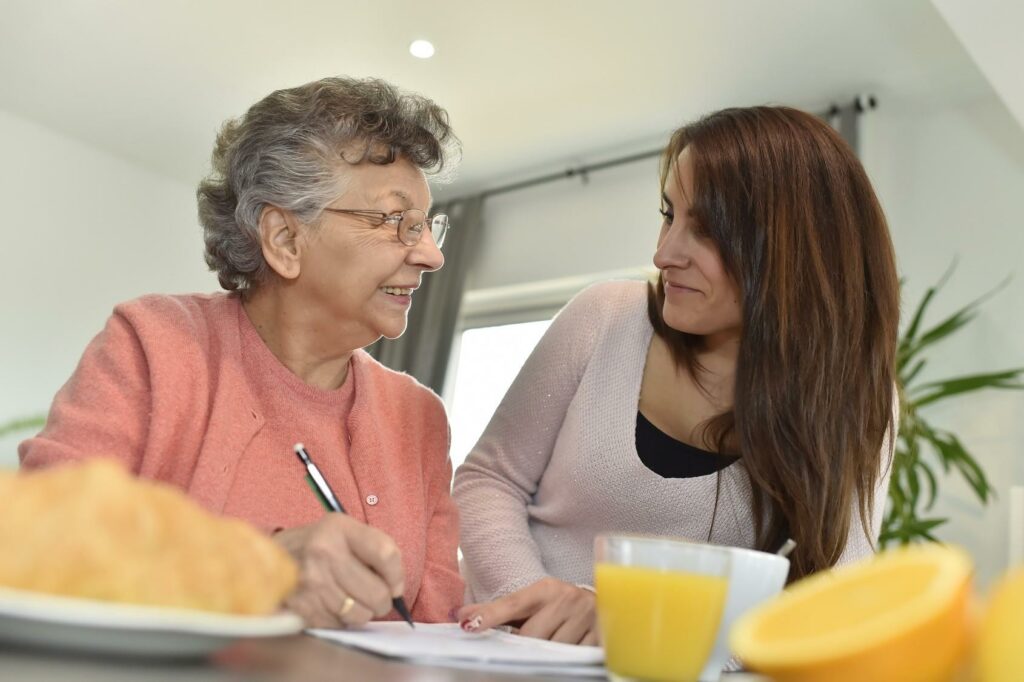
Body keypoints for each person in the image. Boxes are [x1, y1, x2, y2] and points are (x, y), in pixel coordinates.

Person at [20, 76, 463, 628]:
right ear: (284, 239)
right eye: (397, 221)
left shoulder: (419, 417)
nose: (431, 256)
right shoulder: (155, 344)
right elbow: (40, 541)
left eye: (426, 226)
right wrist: (261, 569)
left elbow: (438, 629)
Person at [452, 106, 900, 646]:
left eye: (706, 231)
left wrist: (631, 628)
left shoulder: (854, 399)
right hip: (512, 656)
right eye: (669, 215)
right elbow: (489, 481)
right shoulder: (605, 318)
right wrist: (535, 607)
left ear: (795, 250)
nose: (663, 254)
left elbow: (829, 604)